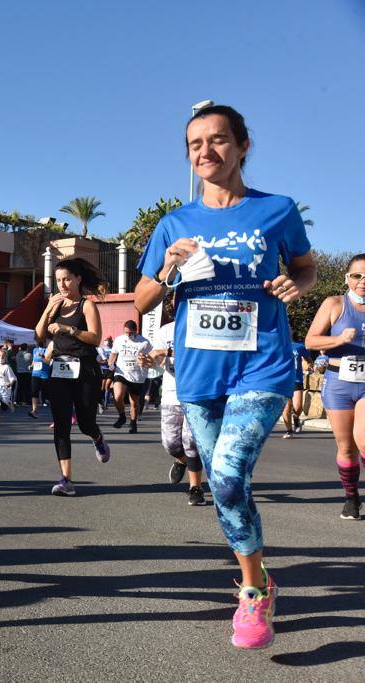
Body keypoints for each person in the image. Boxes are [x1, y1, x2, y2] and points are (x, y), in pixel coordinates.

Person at [135, 104, 316, 649]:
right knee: (222, 485)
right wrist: (168, 265)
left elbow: (304, 267)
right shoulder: (175, 222)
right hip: (199, 371)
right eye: (195, 144)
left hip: (261, 361)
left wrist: (296, 286)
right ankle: (259, 577)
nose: (205, 152)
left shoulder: (276, 210)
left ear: (242, 146)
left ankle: (252, 596)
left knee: (232, 471)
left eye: (217, 141)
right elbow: (144, 300)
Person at [34, 258, 111, 496]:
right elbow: (38, 337)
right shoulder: (55, 305)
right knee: (61, 424)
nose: (62, 284)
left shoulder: (86, 305)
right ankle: (66, 480)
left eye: (67, 279)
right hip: (59, 370)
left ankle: (96, 436)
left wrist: (70, 329)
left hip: (86, 370)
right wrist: (48, 310)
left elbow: (96, 338)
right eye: (58, 280)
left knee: (86, 422)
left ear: (78, 278)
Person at [305, 252, 365, 520]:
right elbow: (310, 341)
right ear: (347, 278)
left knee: (363, 439)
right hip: (338, 382)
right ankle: (351, 497)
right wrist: (338, 339)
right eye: (357, 275)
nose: (362, 281)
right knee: (346, 447)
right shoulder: (335, 304)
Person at [149, 308, 206, 506]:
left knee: (191, 441)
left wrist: (166, 351)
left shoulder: (202, 324)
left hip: (197, 391)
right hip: (172, 393)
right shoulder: (165, 331)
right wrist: (149, 361)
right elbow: (156, 360)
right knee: (171, 444)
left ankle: (195, 488)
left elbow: (197, 353)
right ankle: (182, 461)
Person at [108, 320, 152, 433]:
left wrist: (145, 361)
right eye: (126, 332)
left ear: (136, 331)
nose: (128, 335)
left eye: (130, 333)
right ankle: (122, 416)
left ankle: (133, 423)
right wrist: (111, 364)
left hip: (137, 375)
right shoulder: (119, 339)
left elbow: (152, 359)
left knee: (134, 402)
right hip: (121, 372)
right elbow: (113, 353)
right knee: (117, 397)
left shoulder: (145, 343)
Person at [280, 341, 311, 439]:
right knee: (286, 408)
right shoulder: (278, 344)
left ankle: (296, 418)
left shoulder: (299, 346)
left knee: (298, 407)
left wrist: (308, 364)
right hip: (283, 380)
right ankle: (289, 430)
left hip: (297, 379)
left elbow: (308, 360)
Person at [29, 341, 49, 418]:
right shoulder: (35, 350)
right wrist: (31, 365)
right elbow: (34, 360)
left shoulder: (47, 350)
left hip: (44, 374)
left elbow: (49, 362)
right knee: (34, 391)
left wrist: (42, 357)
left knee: (45, 391)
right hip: (35, 373)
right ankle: (34, 410)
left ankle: (45, 401)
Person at [97, 337, 114, 411]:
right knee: (102, 387)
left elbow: (115, 359)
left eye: (107, 340)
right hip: (103, 369)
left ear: (111, 341)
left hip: (111, 370)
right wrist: (103, 362)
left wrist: (112, 363)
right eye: (105, 340)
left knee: (108, 385)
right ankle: (101, 401)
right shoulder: (101, 349)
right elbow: (99, 360)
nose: (106, 342)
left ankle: (106, 403)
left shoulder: (113, 349)